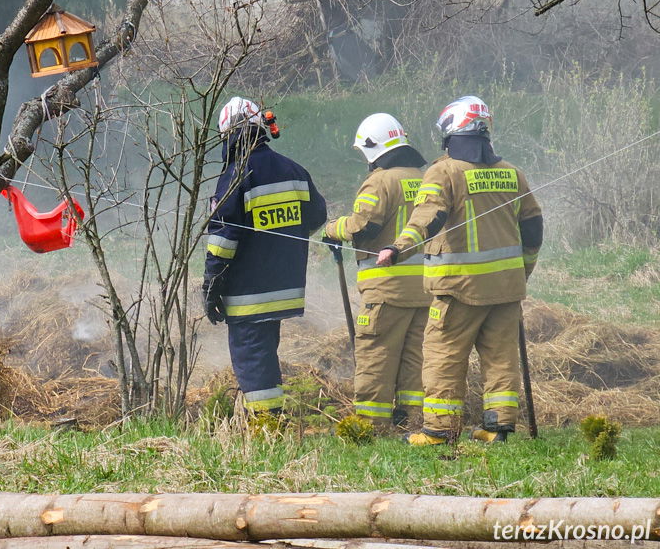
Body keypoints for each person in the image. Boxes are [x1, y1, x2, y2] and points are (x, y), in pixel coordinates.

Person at [377, 95, 543, 445]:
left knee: (443, 356)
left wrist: (397, 247)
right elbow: (533, 229)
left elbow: (428, 216)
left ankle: (439, 430)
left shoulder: (444, 170)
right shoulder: (512, 173)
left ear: (452, 131)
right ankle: (497, 428)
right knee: (501, 359)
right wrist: (522, 273)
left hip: (459, 290)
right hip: (506, 290)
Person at [203, 96, 327, 415]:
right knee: (265, 354)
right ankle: (269, 417)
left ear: (229, 134)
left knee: (252, 358)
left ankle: (266, 428)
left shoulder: (235, 175)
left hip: (249, 293)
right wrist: (284, 245)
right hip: (285, 288)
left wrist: (211, 285)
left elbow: (222, 240)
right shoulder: (294, 170)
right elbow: (316, 216)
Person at [321, 113, 430, 431]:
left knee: (376, 354)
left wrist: (332, 229)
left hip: (386, 288)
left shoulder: (380, 181)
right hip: (424, 288)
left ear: (373, 148)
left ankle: (371, 424)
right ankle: (412, 421)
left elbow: (364, 224)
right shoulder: (422, 177)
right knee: (415, 359)